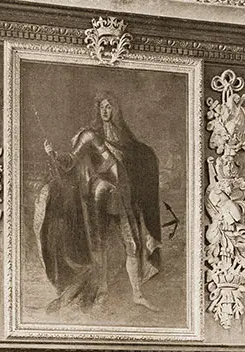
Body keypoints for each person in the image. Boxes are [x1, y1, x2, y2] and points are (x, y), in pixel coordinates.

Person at [33, 92, 161, 313]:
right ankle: (101, 295)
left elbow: (121, 166)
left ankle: (137, 295)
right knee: (98, 247)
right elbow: (71, 160)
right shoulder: (89, 135)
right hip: (98, 199)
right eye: (102, 107)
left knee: (132, 245)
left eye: (110, 107)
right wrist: (53, 153)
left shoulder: (122, 139)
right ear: (97, 110)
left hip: (121, 197)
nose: (105, 111)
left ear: (116, 110)